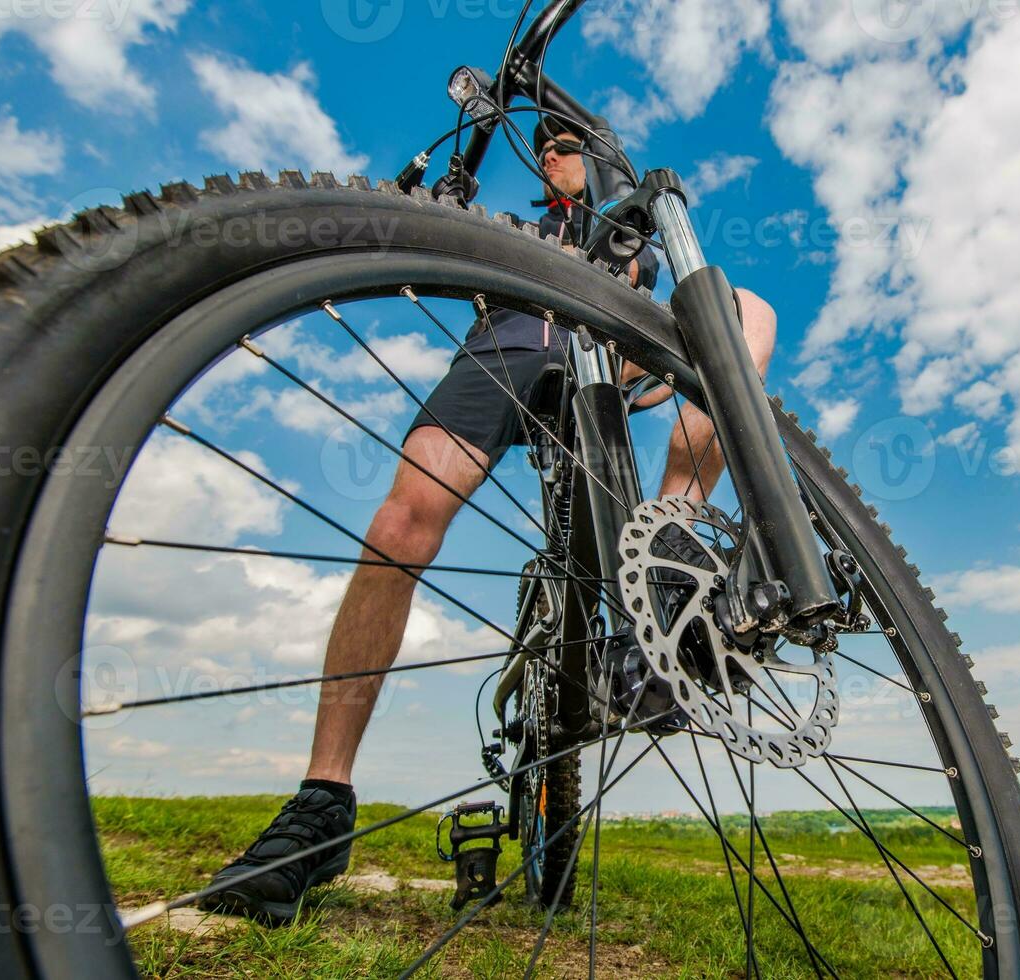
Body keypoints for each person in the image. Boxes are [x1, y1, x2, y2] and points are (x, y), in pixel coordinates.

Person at [200, 120, 778, 923]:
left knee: (745, 309)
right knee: (401, 525)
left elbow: (673, 296)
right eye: (541, 144)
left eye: (566, 140)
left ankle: (675, 559)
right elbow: (423, 225)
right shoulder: (519, 226)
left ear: (602, 156)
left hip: (605, 349)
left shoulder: (628, 237)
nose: (550, 150)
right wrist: (437, 197)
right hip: (501, 350)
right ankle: (322, 801)